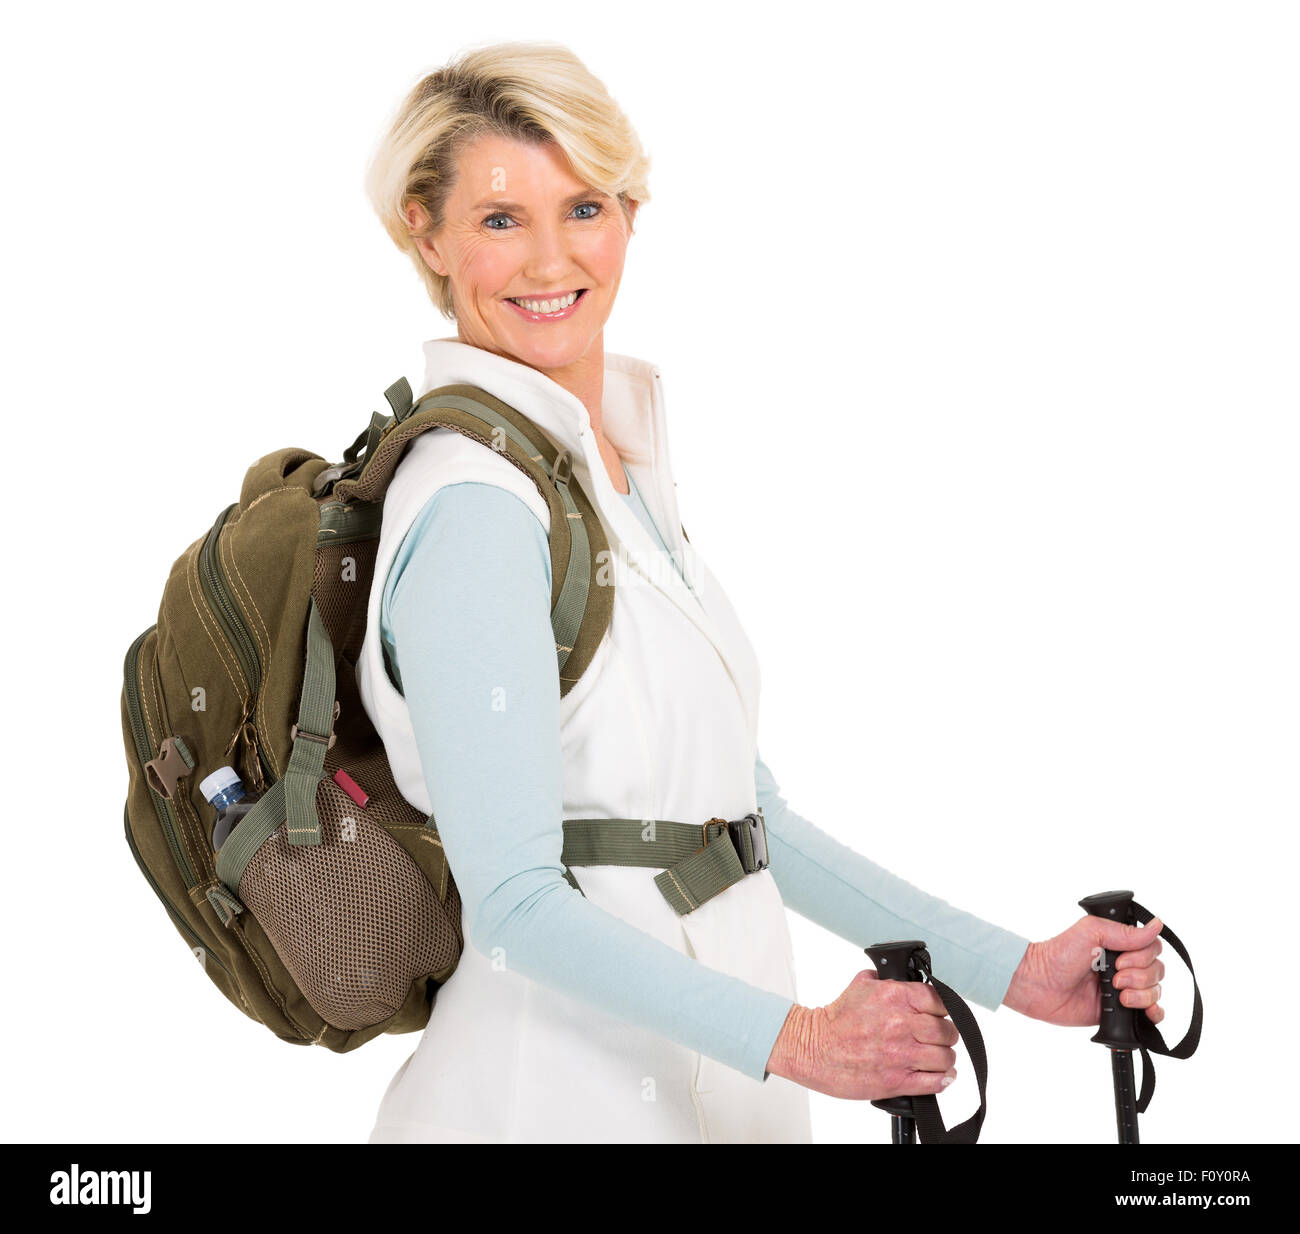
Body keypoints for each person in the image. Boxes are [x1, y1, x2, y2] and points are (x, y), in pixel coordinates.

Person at [355, 40, 1165, 1144]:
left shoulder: (610, 474)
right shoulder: (477, 503)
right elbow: (512, 904)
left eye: (583, 205)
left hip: (719, 1105)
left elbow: (746, 818)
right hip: (542, 1109)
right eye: (500, 219)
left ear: (631, 213)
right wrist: (804, 1041)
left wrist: (1017, 972)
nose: (550, 259)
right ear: (425, 230)